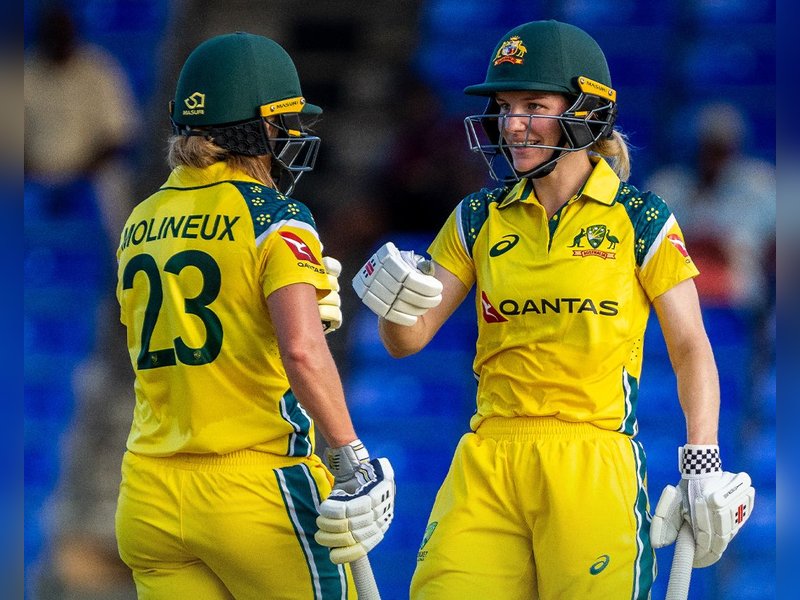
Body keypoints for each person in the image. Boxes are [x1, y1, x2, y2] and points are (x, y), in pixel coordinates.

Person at [352, 20, 755, 599]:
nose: (513, 124)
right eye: (506, 106)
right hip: (488, 459)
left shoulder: (640, 219)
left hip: (594, 462)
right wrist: (392, 307)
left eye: (533, 105)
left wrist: (701, 462)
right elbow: (407, 340)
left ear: (586, 111)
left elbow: (691, 346)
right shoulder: (477, 216)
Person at [114, 32, 394, 599]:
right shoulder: (276, 215)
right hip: (253, 487)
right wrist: (352, 457)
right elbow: (301, 352)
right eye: (283, 124)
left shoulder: (139, 220)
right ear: (255, 129)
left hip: (148, 490)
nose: (292, 137)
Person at [645, 101, 775, 310]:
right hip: (675, 292)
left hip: (741, 298)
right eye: (708, 147)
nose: (713, 158)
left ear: (736, 147)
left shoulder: (761, 184)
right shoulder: (666, 185)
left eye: (721, 149)